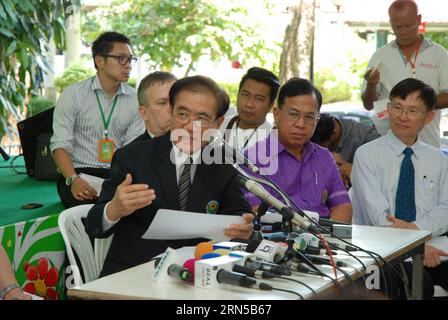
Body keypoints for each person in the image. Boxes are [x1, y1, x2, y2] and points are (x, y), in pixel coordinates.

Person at [86, 75, 253, 277]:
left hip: (195, 276)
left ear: (216, 124)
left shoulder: (224, 164)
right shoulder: (132, 158)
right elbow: (94, 225)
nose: (190, 126)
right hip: (134, 275)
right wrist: (114, 209)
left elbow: (238, 217)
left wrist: (243, 229)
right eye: (182, 114)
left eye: (201, 118)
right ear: (171, 112)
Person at [352, 78, 448, 297]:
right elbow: (377, 217)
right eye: (397, 107)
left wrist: (416, 232)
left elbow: (445, 209)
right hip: (385, 249)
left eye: (412, 110)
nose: (402, 117)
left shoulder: (439, 159)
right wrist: (415, 246)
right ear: (388, 109)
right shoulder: (366, 155)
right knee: (417, 283)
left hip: (434, 245)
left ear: (429, 117)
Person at [50, 32, 145, 209]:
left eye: (131, 60)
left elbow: (133, 149)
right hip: (79, 173)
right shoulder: (73, 95)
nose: (128, 66)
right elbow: (60, 145)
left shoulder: (135, 100)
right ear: (100, 61)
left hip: (117, 175)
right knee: (89, 209)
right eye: (121, 59)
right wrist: (73, 179)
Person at [243, 78, 352, 223]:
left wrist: (331, 239)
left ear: (317, 120)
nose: (301, 124)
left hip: (322, 239)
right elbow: (256, 211)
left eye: (309, 117)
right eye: (293, 114)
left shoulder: (324, 157)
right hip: (277, 239)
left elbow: (342, 205)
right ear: (276, 114)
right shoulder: (253, 157)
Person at [361, 0, 448, 149]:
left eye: (408, 26)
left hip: (428, 145)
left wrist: (417, 104)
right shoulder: (381, 56)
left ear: (419, 19)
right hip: (388, 147)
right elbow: (368, 104)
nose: (403, 31)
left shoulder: (438, 53)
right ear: (391, 23)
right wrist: (371, 84)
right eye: (397, 27)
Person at [311, 113, 380, 188]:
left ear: (334, 134)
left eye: (320, 145)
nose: (316, 148)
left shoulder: (368, 138)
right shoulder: (314, 132)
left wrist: (356, 170)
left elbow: (384, 173)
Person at [219, 67, 280, 152]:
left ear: (270, 105)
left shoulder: (273, 140)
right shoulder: (218, 126)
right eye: (245, 95)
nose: (249, 104)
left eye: (259, 99)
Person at [131, 71, 177, 143]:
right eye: (162, 103)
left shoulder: (197, 146)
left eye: (174, 100)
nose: (172, 108)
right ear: (144, 113)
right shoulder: (129, 153)